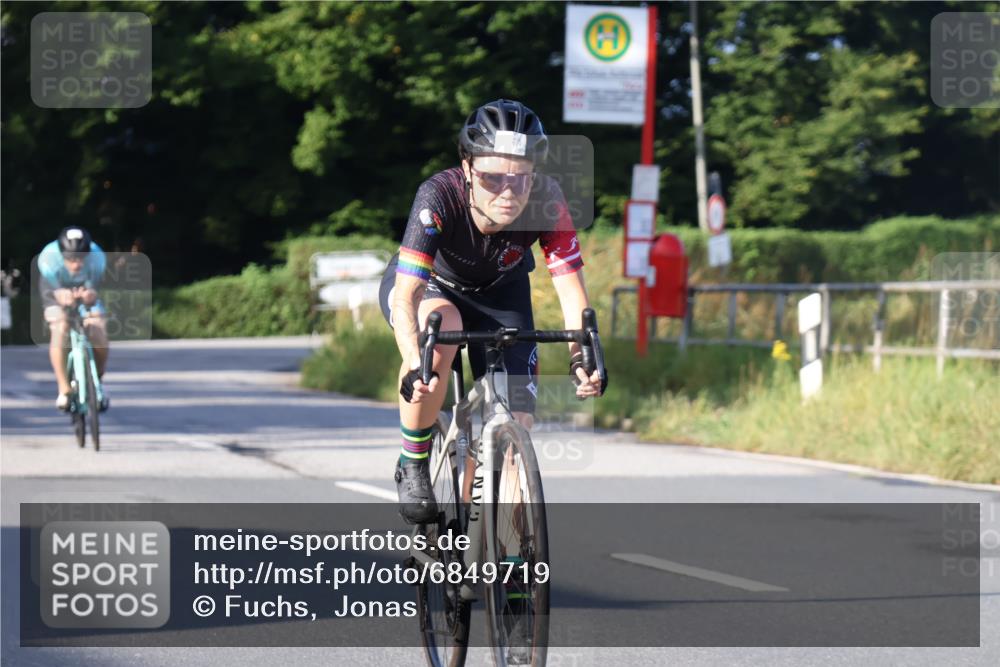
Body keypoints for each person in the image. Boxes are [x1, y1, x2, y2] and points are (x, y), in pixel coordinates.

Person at [378, 99, 604, 525]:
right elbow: (406, 295)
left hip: (502, 294)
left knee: (515, 421)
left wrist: (583, 356)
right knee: (444, 326)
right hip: (433, 287)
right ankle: (413, 460)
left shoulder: (547, 199)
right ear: (467, 170)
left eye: (521, 179)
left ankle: (497, 548)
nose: (508, 191)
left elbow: (572, 293)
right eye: (493, 177)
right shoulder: (437, 194)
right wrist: (413, 360)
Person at [38, 226, 110, 411]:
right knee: (60, 327)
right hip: (56, 293)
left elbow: (101, 286)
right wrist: (59, 295)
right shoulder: (48, 258)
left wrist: (92, 294)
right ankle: (63, 388)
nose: (76, 264)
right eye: (70, 259)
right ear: (62, 255)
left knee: (98, 328)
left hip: (86, 295)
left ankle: (98, 379)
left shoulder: (97, 257)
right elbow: (46, 289)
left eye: (80, 258)